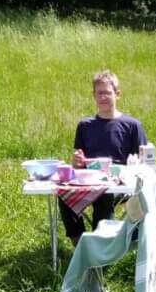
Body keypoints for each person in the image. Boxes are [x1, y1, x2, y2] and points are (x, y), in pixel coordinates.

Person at [60, 70, 148, 246]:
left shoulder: (132, 126)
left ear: (117, 94)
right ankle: (80, 244)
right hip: (89, 181)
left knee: (104, 196)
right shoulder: (85, 125)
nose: (102, 97)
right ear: (93, 96)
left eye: (107, 92)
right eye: (98, 93)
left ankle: (101, 245)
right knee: (62, 195)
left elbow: (142, 163)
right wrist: (77, 162)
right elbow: (78, 164)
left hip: (121, 184)